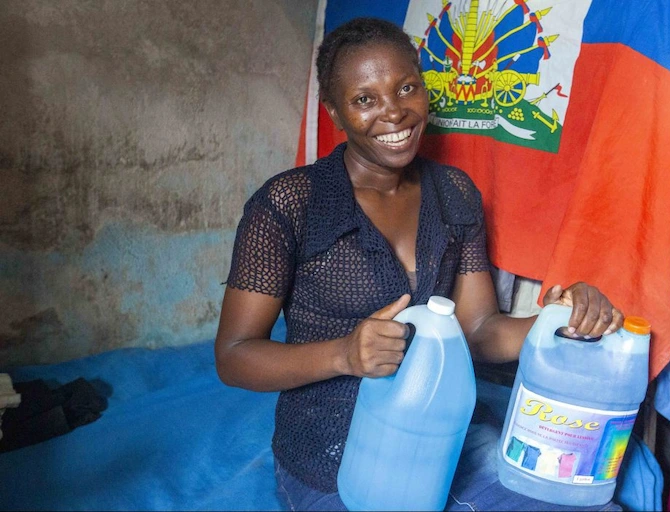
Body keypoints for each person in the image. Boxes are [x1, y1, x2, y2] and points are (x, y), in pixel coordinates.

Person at [215, 17, 624, 511]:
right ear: (335, 111)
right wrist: (345, 355)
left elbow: (479, 331)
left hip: (445, 431)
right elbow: (234, 356)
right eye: (365, 99)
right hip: (335, 450)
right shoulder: (290, 204)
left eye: (406, 88)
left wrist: (562, 319)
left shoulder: (453, 194)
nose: (394, 113)